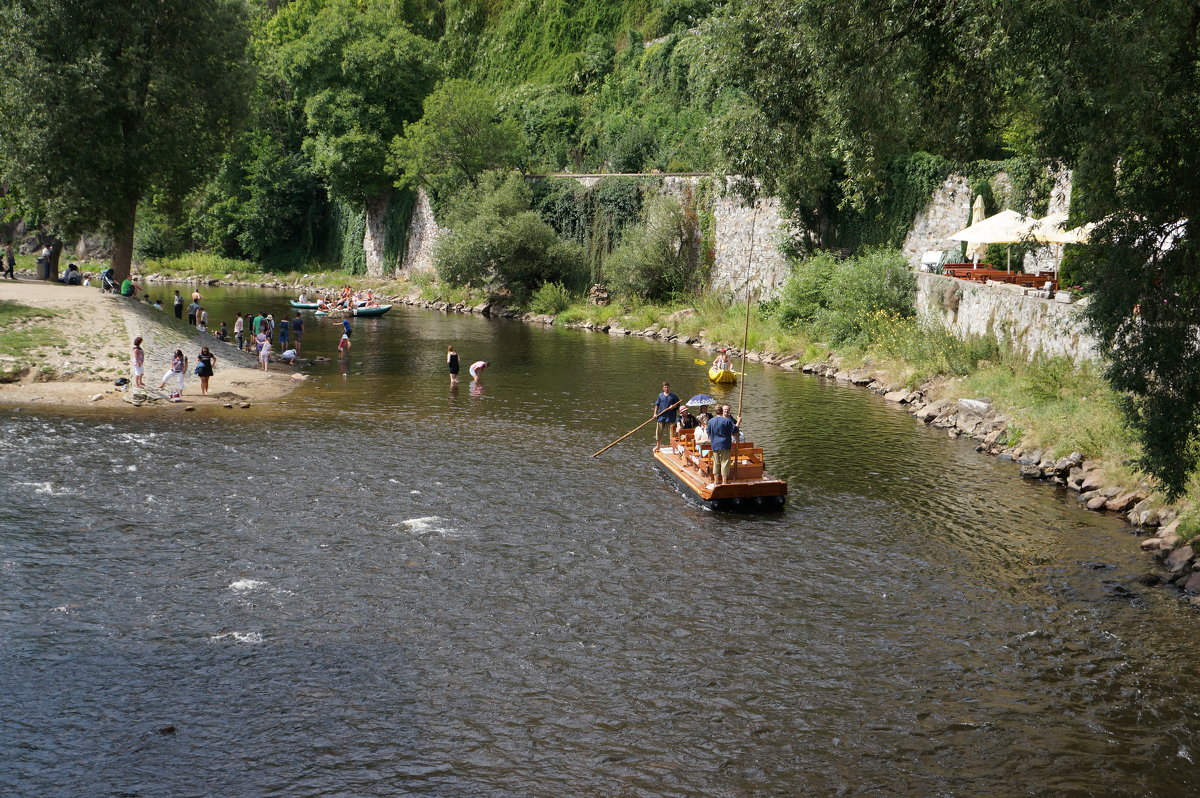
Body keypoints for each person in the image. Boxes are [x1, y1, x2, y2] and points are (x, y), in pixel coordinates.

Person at [706, 404, 741, 487]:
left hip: (714, 444)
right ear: (722, 411)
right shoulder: (727, 421)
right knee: (725, 462)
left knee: (716, 462)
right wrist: (738, 421)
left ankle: (716, 481)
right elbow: (734, 432)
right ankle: (724, 481)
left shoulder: (711, 421)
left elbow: (708, 432)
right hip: (724, 444)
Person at [652, 381, 680, 450]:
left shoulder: (674, 396)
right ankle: (658, 446)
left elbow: (678, 405)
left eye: (667, 387)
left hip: (670, 418)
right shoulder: (660, 395)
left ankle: (673, 447)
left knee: (672, 434)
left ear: (669, 387)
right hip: (661, 417)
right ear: (663, 388)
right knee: (659, 432)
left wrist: (673, 407)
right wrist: (655, 413)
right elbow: (657, 405)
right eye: (665, 387)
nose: (666, 388)